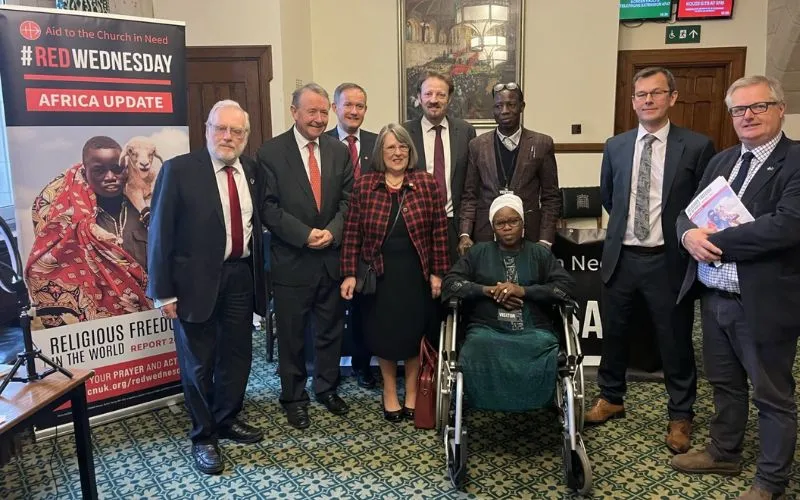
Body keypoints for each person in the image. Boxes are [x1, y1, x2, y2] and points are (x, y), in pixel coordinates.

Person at [672, 75, 800, 500]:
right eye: (738, 109)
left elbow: (787, 226)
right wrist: (688, 236)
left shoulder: (795, 161)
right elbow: (689, 213)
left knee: (772, 394)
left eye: (758, 106)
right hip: (714, 296)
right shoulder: (722, 160)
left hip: (763, 301)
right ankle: (724, 451)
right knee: (724, 383)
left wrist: (714, 241)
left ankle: (770, 481)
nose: (747, 116)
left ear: (780, 109)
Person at [588, 67, 716, 455]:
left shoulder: (696, 146)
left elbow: (702, 205)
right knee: (616, 333)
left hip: (668, 260)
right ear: (633, 101)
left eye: (655, 93)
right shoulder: (616, 145)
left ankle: (680, 413)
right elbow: (610, 197)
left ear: (672, 98)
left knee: (674, 338)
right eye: (640, 94)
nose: (647, 100)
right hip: (622, 257)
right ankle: (611, 396)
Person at [147, 100, 267, 474]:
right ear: (207, 129)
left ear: (246, 137)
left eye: (236, 131)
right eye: (221, 128)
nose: (227, 137)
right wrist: (163, 292)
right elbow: (160, 233)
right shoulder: (179, 170)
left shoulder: (251, 169)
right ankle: (204, 436)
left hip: (239, 277)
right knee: (198, 363)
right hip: (193, 284)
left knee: (237, 355)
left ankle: (227, 418)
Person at [258, 83, 354, 430]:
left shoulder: (338, 151)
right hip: (291, 260)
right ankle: (294, 397)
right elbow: (267, 208)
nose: (318, 118)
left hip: (330, 257)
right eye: (310, 111)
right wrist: (304, 234)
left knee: (330, 330)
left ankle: (326, 388)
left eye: (322, 112)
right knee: (293, 335)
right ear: (294, 111)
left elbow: (348, 200)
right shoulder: (270, 153)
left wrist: (333, 231)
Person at [340, 123, 449, 422]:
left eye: (402, 146)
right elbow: (352, 234)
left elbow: (440, 231)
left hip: (415, 274)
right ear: (380, 152)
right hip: (379, 276)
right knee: (384, 335)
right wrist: (349, 273)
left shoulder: (426, 183)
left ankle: (412, 390)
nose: (397, 152)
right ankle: (390, 389)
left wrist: (438, 273)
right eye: (390, 147)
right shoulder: (365, 185)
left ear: (410, 151)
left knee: (414, 334)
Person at [442, 193, 575, 410]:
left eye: (513, 221)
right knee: (475, 347)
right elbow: (450, 283)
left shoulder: (539, 254)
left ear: (522, 223)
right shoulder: (478, 253)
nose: (507, 227)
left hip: (534, 332)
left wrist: (523, 291)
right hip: (487, 331)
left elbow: (565, 287)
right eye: (500, 223)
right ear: (493, 227)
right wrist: (486, 290)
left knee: (543, 346)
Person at [26, 136, 151, 329]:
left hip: (153, 325)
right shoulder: (73, 223)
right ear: (85, 172)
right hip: (95, 335)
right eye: (99, 171)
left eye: (117, 168)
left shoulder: (147, 210)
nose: (110, 177)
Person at [458, 82, 560, 255]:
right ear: (493, 109)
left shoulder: (542, 143)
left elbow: (551, 197)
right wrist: (465, 233)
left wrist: (546, 239)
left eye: (511, 105)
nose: (504, 110)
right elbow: (470, 195)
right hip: (486, 234)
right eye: (498, 106)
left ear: (522, 107)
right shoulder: (477, 146)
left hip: (529, 235)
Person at [325, 82, 379, 389]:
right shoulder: (322, 142)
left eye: (360, 106)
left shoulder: (376, 143)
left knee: (362, 308)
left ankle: (361, 366)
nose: (354, 111)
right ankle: (328, 372)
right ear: (336, 108)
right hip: (330, 238)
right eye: (348, 105)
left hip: (368, 242)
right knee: (330, 309)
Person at [404, 70, 476, 261]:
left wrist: (465, 232)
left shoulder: (466, 131)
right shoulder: (404, 132)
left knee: (453, 285)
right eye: (428, 94)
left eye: (440, 94)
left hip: (454, 225)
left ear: (449, 98)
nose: (433, 100)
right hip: (416, 225)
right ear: (419, 97)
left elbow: (470, 184)